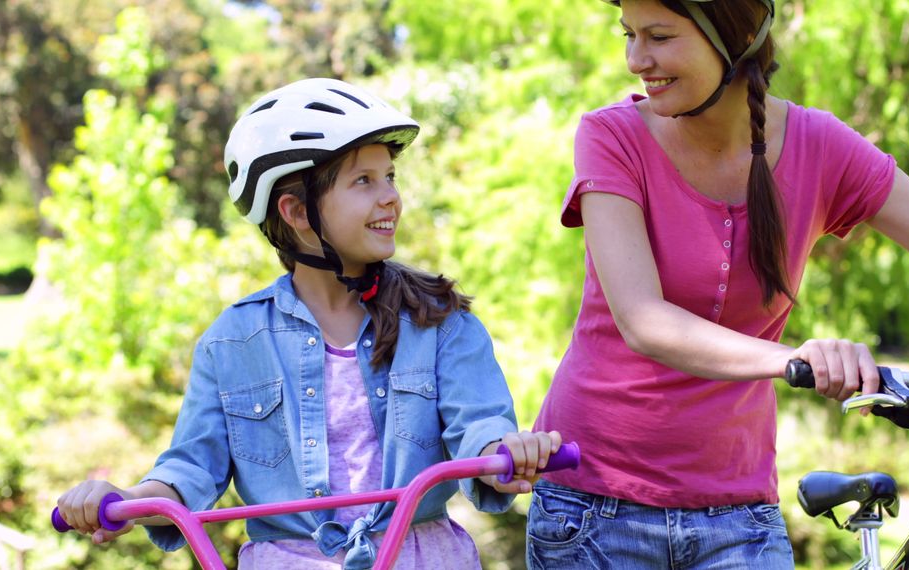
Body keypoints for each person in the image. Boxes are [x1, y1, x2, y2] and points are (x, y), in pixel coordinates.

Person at [528, 1, 909, 568]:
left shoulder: (821, 146)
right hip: (590, 504)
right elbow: (644, 320)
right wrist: (799, 360)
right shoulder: (611, 136)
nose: (636, 60)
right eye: (630, 36)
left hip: (736, 510)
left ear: (733, 39)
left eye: (659, 37)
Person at [55, 77, 562, 570]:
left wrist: (509, 451)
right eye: (363, 181)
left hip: (422, 556)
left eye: (390, 177)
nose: (390, 197)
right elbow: (191, 466)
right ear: (296, 211)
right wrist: (127, 498)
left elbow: (480, 430)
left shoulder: (440, 322)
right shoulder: (232, 343)